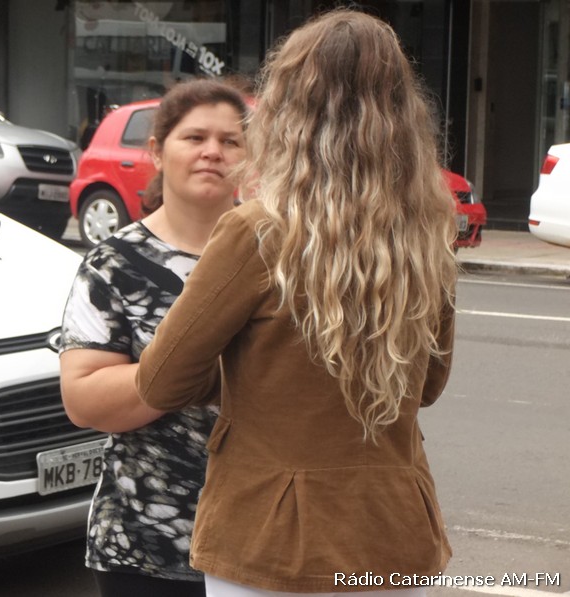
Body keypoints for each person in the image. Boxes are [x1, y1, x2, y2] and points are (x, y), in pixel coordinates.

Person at [136, 9, 458, 597]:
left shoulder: (256, 232)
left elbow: (160, 381)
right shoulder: (426, 234)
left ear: (287, 112)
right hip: (393, 530)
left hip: (271, 536)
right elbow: (428, 386)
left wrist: (254, 378)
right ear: (403, 115)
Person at [59, 79, 248, 597]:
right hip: (146, 545)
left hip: (261, 543)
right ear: (158, 152)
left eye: (230, 141)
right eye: (195, 137)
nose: (213, 151)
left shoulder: (280, 255)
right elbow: (84, 400)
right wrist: (195, 370)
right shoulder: (113, 264)